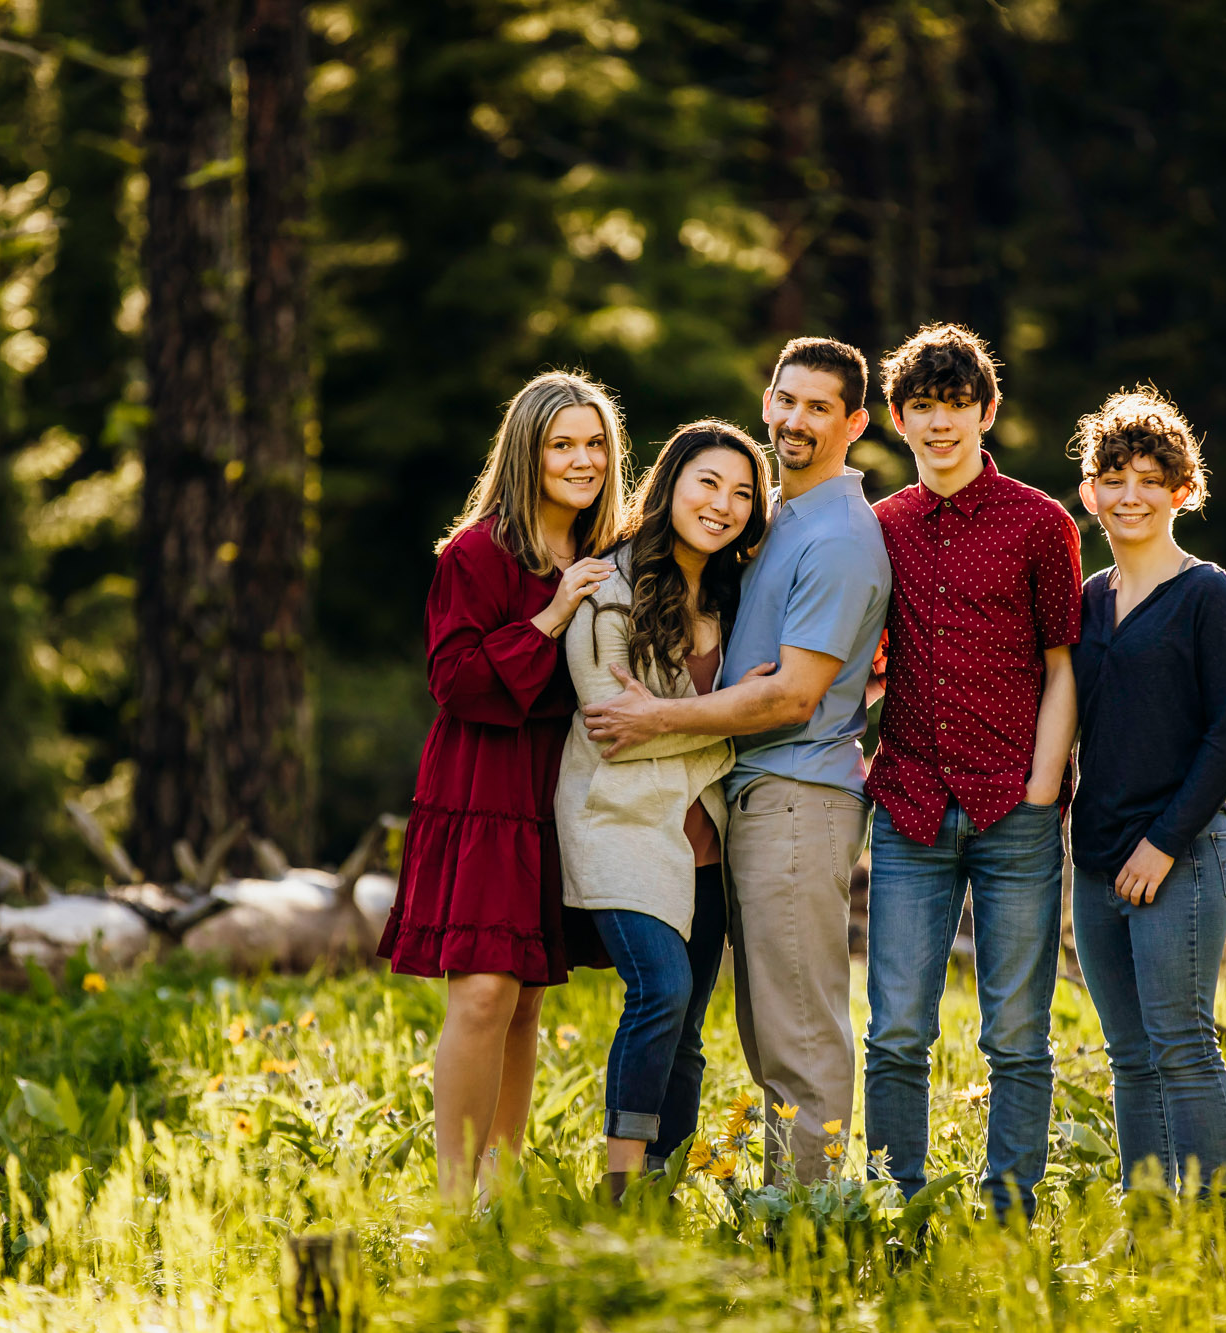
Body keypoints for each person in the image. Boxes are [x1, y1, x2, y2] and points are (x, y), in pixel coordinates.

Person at [582, 337, 892, 1179]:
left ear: (855, 422)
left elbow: (791, 696)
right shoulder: (776, 526)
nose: (796, 419)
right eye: (786, 399)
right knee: (767, 1032)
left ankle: (812, 1220)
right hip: (754, 800)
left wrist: (658, 718)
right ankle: (782, 1206)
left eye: (820, 406)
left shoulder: (836, 535)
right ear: (766, 401)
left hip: (798, 799)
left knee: (796, 1032)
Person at [376, 370, 626, 1204]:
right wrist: (552, 617)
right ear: (529, 451)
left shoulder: (609, 554)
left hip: (561, 787)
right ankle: (452, 1202)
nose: (582, 459)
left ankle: (502, 1187)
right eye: (563, 444)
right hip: (484, 782)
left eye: (595, 443)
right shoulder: (477, 552)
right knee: (484, 991)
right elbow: (456, 682)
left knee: (524, 1001)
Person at [861, 324, 1081, 1220]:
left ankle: (1010, 1207)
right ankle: (893, 1199)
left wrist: (1041, 786)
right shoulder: (879, 529)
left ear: (986, 412)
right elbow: (860, 662)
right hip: (909, 804)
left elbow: (1063, 666)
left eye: (956, 405)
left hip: (1015, 810)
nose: (940, 423)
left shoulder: (1041, 523)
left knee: (1019, 1034)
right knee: (898, 1030)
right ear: (898, 418)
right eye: (922, 407)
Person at [557, 420, 771, 1202]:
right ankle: (617, 1191)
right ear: (670, 482)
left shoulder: (732, 597)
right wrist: (731, 721)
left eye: (743, 492)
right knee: (661, 990)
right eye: (708, 482)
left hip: (706, 843)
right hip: (619, 825)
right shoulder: (607, 587)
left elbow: (758, 700)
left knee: (686, 1037)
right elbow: (613, 726)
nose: (723, 504)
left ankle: (662, 1193)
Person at [1068, 387, 1226, 1196]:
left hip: (1180, 855)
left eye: (1151, 478)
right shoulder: (1086, 602)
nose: (1131, 494)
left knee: (1181, 1041)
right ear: (1090, 492)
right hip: (1095, 862)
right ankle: (1149, 1231)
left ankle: (1206, 1239)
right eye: (1114, 477)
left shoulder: (1209, 596)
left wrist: (1162, 842)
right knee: (1127, 1054)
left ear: (1184, 491)